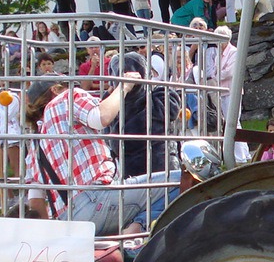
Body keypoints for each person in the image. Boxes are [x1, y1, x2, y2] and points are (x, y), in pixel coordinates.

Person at [24, 73, 174, 236]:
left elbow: (36, 201)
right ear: (55, 89)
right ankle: (137, 230)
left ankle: (132, 232)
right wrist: (124, 86)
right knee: (180, 181)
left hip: (70, 222)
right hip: (97, 199)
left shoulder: (35, 145)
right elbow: (100, 117)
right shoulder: (66, 98)